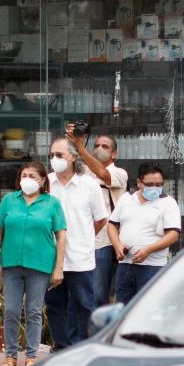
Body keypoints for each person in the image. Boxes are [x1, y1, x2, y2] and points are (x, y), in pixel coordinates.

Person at [0, 162, 67, 366]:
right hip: (11, 264)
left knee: (34, 311)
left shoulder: (52, 203)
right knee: (11, 311)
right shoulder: (9, 200)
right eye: (24, 175)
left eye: (32, 176)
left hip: (40, 264)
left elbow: (61, 236)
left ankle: (32, 356)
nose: (27, 179)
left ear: (43, 180)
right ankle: (10, 357)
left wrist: (59, 268)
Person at [44, 136, 108, 349]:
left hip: (80, 256)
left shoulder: (88, 185)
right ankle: (62, 347)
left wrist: (85, 238)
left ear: (72, 157)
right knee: (54, 304)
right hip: (50, 257)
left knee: (84, 304)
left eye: (59, 154)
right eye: (52, 155)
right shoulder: (45, 183)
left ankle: (85, 347)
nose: (55, 159)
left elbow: (101, 219)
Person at [109, 162, 182, 303]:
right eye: (150, 184)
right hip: (125, 265)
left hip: (152, 267)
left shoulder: (168, 202)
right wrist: (117, 245)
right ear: (139, 183)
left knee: (149, 308)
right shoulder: (126, 198)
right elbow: (112, 225)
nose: (155, 188)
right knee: (122, 309)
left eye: (159, 184)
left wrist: (148, 250)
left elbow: (173, 235)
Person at [85, 132, 127, 305]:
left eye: (105, 146)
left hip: (105, 240)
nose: (99, 148)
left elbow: (103, 175)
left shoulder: (119, 172)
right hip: (83, 238)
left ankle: (101, 329)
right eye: (96, 145)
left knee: (98, 292)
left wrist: (81, 147)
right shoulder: (82, 172)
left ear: (114, 154)